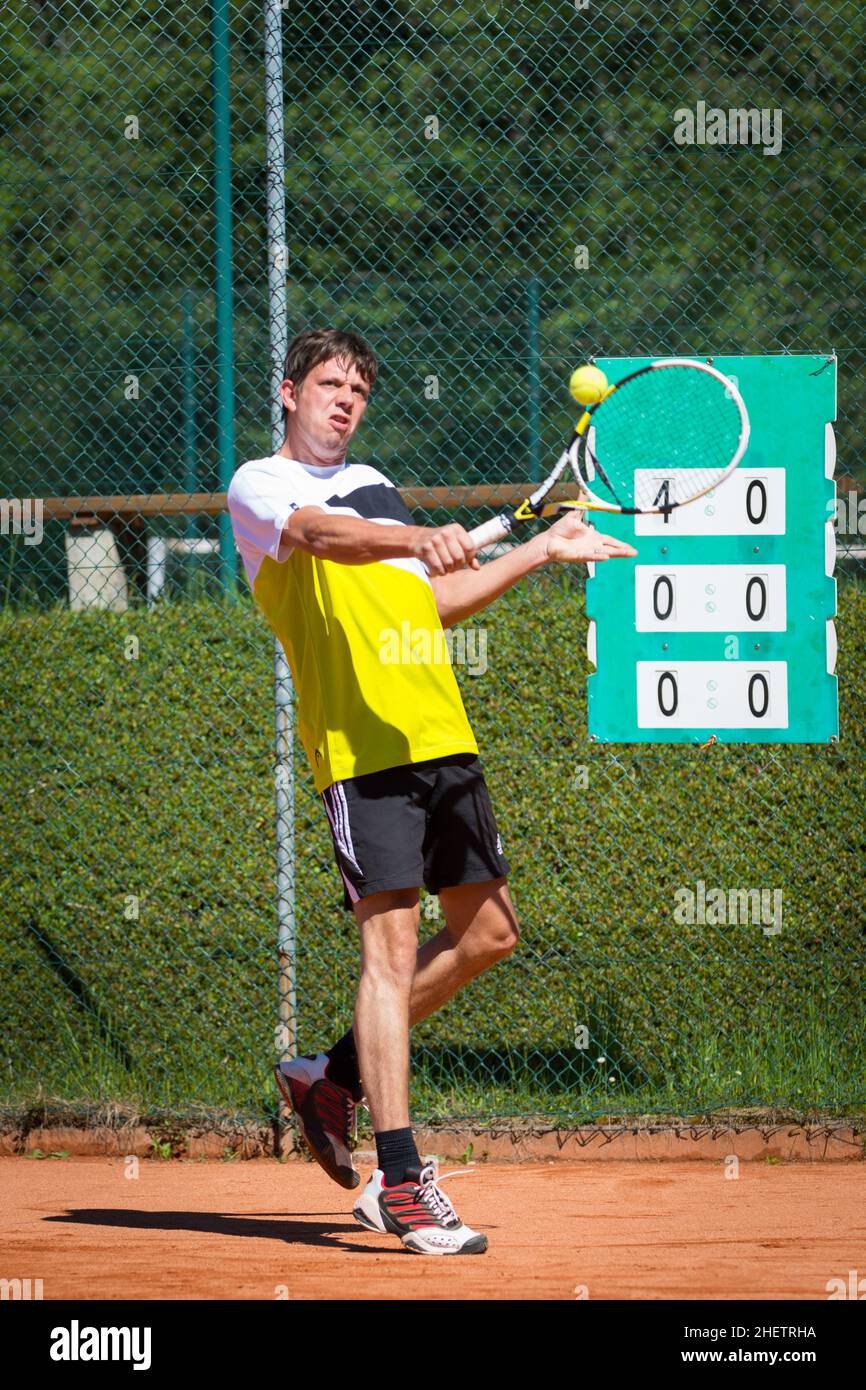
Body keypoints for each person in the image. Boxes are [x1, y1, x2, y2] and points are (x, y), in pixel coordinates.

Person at [227, 327, 636, 1255]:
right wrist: (418, 532)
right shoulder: (263, 485)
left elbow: (433, 601)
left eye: (360, 389)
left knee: (492, 934)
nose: (345, 399)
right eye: (329, 383)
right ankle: (401, 1178)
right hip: (362, 750)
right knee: (391, 948)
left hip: (441, 736)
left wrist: (543, 552)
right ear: (288, 393)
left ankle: (329, 1074)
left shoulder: (375, 481)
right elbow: (323, 538)